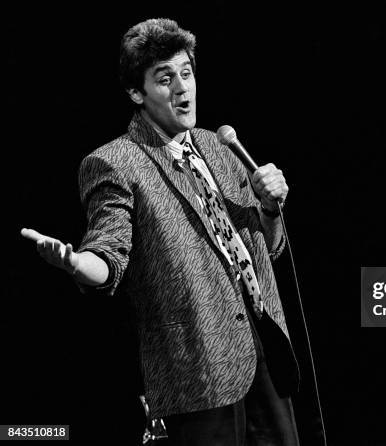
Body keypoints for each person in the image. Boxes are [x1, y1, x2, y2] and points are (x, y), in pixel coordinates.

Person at [21, 18, 302, 445]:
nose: (182, 89)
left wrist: (270, 210)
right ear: (137, 93)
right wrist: (78, 263)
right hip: (197, 366)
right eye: (165, 79)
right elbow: (109, 252)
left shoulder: (220, 147)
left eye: (186, 73)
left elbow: (270, 248)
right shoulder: (116, 162)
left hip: (264, 346)